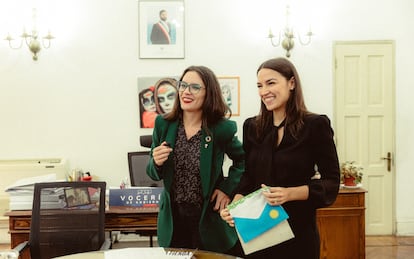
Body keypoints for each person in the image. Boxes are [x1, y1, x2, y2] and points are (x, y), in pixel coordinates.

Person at [220, 57, 340, 258]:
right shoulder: (252, 127)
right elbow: (248, 177)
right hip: (258, 231)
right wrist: (235, 205)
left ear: (291, 83)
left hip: (298, 233)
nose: (263, 91)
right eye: (259, 85)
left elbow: (332, 182)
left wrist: (290, 193)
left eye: (271, 83)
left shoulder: (315, 125)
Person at [146, 65, 245, 255]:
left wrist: (226, 189)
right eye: (182, 85)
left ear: (209, 93)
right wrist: (156, 161)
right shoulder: (163, 124)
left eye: (195, 87)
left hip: (208, 218)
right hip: (175, 219)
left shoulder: (220, 129)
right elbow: (152, 172)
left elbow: (243, 161)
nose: (186, 91)